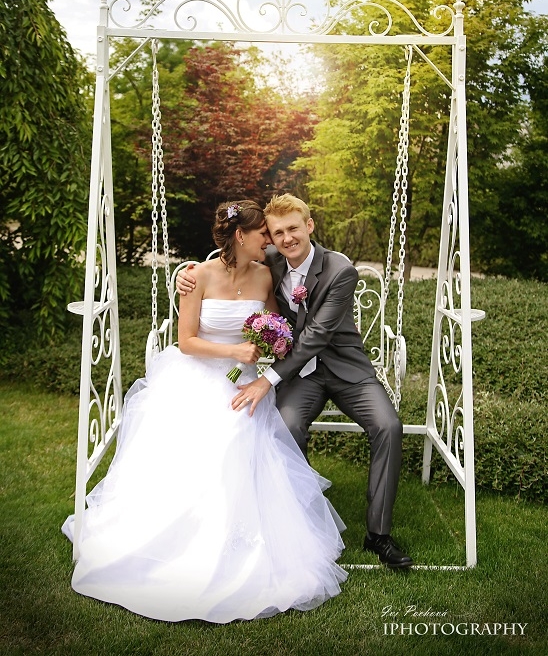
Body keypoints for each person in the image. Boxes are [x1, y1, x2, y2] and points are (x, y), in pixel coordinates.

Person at [62, 200, 347, 623]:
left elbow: (278, 326)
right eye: (263, 234)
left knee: (241, 428)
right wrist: (234, 350)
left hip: (242, 381)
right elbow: (187, 342)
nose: (270, 242)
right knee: (215, 435)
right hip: (197, 374)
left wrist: (270, 341)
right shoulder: (197, 276)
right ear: (241, 236)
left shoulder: (265, 274)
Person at [178, 194, 413, 569]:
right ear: (268, 238)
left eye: (293, 229)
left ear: (309, 226)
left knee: (388, 426)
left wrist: (266, 380)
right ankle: (301, 523)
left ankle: (378, 535)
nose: (285, 239)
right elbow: (228, 259)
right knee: (287, 426)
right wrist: (184, 274)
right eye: (276, 233)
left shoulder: (340, 270)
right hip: (300, 375)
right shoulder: (268, 259)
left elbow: (316, 336)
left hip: (346, 370)